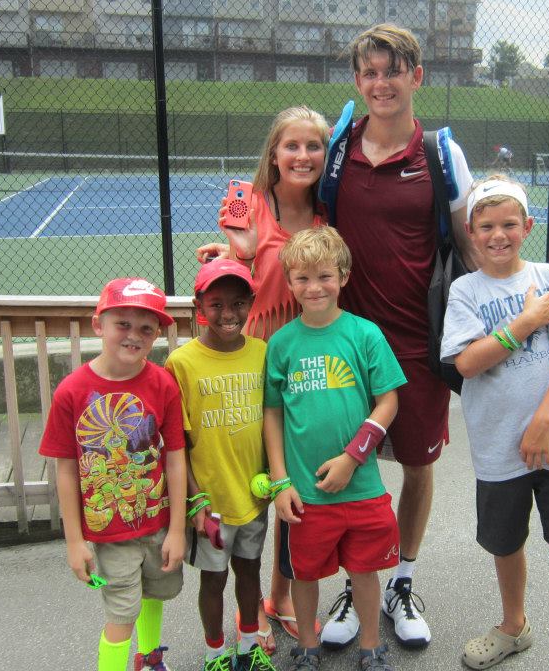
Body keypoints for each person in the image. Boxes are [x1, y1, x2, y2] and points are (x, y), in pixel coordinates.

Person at [319, 23, 549, 650]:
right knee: (350, 466)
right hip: (344, 345)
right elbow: (302, 220)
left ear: (416, 77)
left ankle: (401, 581)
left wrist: (519, 311)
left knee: (416, 466)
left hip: (418, 346)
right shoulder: (338, 148)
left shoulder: (439, 154)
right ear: (357, 81)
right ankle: (357, 584)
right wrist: (240, 251)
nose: (381, 83)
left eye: (393, 71)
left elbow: (473, 245)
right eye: (370, 73)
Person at [440, 177, 549, 671]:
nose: (498, 235)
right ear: (471, 232)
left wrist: (543, 420)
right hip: (497, 453)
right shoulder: (465, 291)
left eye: (509, 224)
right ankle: (514, 627)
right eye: (486, 226)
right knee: (506, 546)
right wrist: (526, 322)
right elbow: (467, 363)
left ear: (527, 226)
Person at [195, 106, 330, 645]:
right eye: (291, 145)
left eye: (314, 146)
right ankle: (248, 611)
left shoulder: (327, 212)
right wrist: (235, 252)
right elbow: (235, 267)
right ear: (273, 152)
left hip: (303, 361)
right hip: (251, 359)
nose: (302, 156)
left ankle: (280, 597)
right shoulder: (244, 197)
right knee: (249, 486)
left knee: (291, 484)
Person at [263, 227, 407, 671]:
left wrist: (351, 458)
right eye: (302, 278)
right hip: (305, 494)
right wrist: (280, 481)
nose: (314, 287)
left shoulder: (365, 334)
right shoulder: (281, 343)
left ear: (343, 277)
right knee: (304, 573)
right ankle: (307, 647)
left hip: (361, 487)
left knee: (364, 571)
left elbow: (388, 402)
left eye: (324, 276)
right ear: (289, 283)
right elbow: (272, 415)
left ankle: (371, 647)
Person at [39, 277, 186, 671]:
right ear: (98, 325)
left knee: (155, 593)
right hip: (111, 534)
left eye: (146, 328)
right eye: (123, 324)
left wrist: (176, 529)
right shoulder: (72, 391)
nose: (134, 335)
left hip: (157, 522)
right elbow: (66, 470)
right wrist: (75, 541)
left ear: (157, 334)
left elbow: (174, 457)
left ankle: (150, 657)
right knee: (122, 612)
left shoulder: (163, 385)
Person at [164, 259, 277, 671]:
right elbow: (177, 442)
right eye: (216, 304)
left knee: (250, 572)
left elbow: (274, 420)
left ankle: (248, 647)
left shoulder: (263, 353)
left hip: (252, 496)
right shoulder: (181, 363)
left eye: (237, 303)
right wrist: (195, 499)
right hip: (210, 503)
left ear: (251, 303)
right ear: (199, 306)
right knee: (213, 579)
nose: (228, 314)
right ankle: (215, 653)